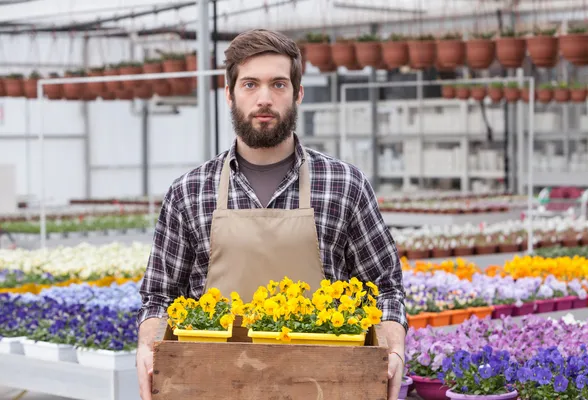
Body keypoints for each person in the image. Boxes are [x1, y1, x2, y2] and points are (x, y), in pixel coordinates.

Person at [136, 28, 408, 400]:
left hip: (327, 386)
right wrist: (148, 349)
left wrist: (392, 349)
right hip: (213, 387)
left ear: (297, 94)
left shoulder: (345, 184)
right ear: (229, 94)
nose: (264, 98)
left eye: (278, 85)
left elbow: (385, 288)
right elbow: (159, 297)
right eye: (250, 85)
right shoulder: (189, 192)